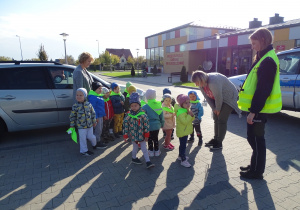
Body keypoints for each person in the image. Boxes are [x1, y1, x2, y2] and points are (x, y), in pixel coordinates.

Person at [238, 28, 282, 179]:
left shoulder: (268, 60)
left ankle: (257, 172)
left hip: (259, 109)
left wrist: (254, 111)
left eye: (254, 43)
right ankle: (254, 165)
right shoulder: (263, 57)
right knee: (253, 139)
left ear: (263, 40)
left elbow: (263, 89)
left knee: (257, 140)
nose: (252, 46)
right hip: (257, 108)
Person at [191, 70, 241, 150]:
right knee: (215, 117)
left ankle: (219, 143)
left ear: (201, 79)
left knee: (221, 119)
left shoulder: (214, 81)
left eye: (197, 82)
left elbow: (219, 97)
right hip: (218, 98)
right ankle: (215, 139)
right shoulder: (201, 85)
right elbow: (207, 97)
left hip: (229, 97)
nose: (196, 85)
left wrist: (218, 108)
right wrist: (214, 109)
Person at [123, 92, 155, 169]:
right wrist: (125, 135)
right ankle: (134, 158)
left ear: (139, 105)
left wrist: (147, 134)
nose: (133, 107)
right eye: (132, 106)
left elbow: (146, 125)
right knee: (135, 148)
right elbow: (125, 125)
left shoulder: (143, 115)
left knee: (144, 148)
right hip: (133, 135)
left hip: (142, 135)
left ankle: (148, 161)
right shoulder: (128, 116)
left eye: (135, 105)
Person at [69, 88, 97, 156]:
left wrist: (94, 121)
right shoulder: (75, 106)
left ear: (85, 96)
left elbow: (93, 113)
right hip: (81, 126)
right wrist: (72, 125)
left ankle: (94, 144)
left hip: (90, 125)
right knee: (82, 139)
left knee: (91, 137)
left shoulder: (88, 104)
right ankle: (84, 151)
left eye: (80, 95)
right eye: (77, 95)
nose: (78, 96)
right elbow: (72, 116)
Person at [142, 89, 164, 157]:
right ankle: (157, 151)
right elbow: (161, 116)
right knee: (156, 138)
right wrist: (162, 124)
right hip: (157, 125)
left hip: (148, 125)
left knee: (149, 138)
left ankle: (151, 151)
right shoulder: (158, 105)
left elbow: (142, 117)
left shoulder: (145, 107)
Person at [175, 94, 195, 168]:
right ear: (181, 104)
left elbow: (191, 120)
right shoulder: (181, 112)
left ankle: (180, 156)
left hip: (185, 131)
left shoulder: (186, 109)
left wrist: (192, 115)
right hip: (182, 131)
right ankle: (183, 160)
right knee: (183, 146)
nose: (188, 104)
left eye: (189, 102)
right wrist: (190, 115)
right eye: (186, 103)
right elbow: (185, 121)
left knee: (182, 145)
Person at [87, 82, 107, 149]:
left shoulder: (99, 96)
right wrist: (95, 117)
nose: (100, 90)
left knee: (100, 129)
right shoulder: (93, 97)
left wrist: (104, 115)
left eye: (101, 88)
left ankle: (97, 141)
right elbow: (93, 108)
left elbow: (102, 107)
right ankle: (96, 143)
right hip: (97, 116)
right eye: (99, 88)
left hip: (100, 115)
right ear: (95, 88)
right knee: (98, 130)